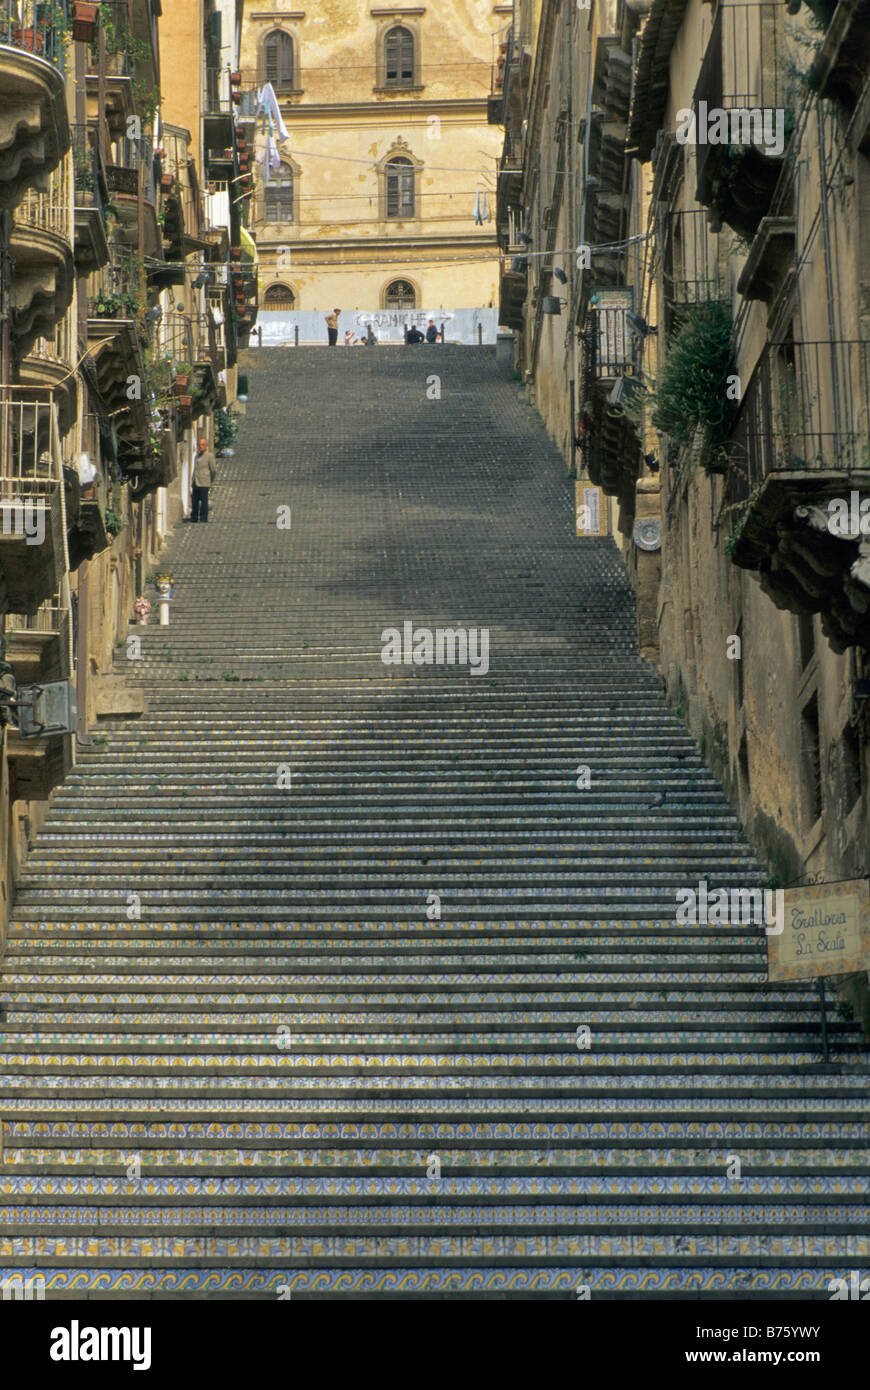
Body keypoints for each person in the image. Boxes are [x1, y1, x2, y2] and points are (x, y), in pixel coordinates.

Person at [191, 437, 216, 523]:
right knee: (194, 501)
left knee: (204, 501)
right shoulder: (196, 456)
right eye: (199, 445)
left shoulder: (209, 456)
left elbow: (213, 470)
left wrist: (210, 479)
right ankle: (194, 516)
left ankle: (203, 517)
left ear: (206, 446)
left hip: (204, 482)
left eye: (202, 445)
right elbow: (195, 469)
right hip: (196, 481)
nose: (200, 447)